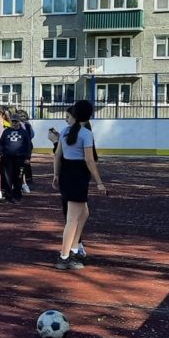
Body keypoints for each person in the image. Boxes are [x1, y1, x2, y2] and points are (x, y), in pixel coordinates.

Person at [52, 100, 107, 270]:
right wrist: (99, 182)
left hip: (67, 173)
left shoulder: (64, 131)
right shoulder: (86, 133)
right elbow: (90, 160)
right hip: (78, 174)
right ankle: (64, 256)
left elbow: (57, 155)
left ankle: (74, 249)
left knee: (83, 213)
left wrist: (56, 174)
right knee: (72, 219)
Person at [0, 114, 32, 204]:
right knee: (7, 178)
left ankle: (17, 196)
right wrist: (1, 152)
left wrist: (28, 157)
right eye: (12, 121)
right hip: (7, 158)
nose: (14, 123)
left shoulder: (24, 133)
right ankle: (8, 197)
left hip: (20, 159)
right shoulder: (6, 132)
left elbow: (28, 146)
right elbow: (1, 143)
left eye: (16, 121)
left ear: (19, 122)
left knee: (18, 178)